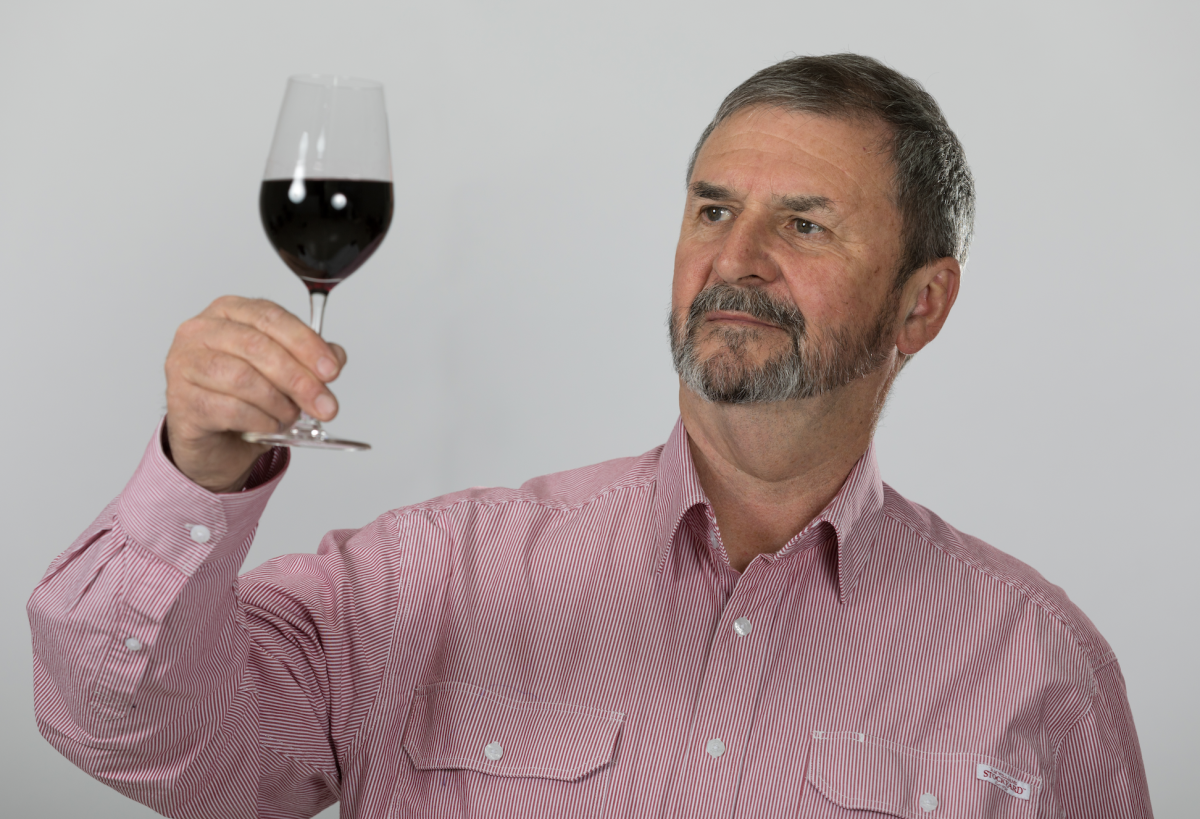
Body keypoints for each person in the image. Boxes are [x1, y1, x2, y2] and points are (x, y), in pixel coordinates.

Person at [28, 54, 1152, 818]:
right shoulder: (430, 577)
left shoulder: (1042, 664)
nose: (737, 257)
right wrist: (198, 470)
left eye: (803, 223)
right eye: (714, 209)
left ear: (923, 305)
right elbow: (144, 743)